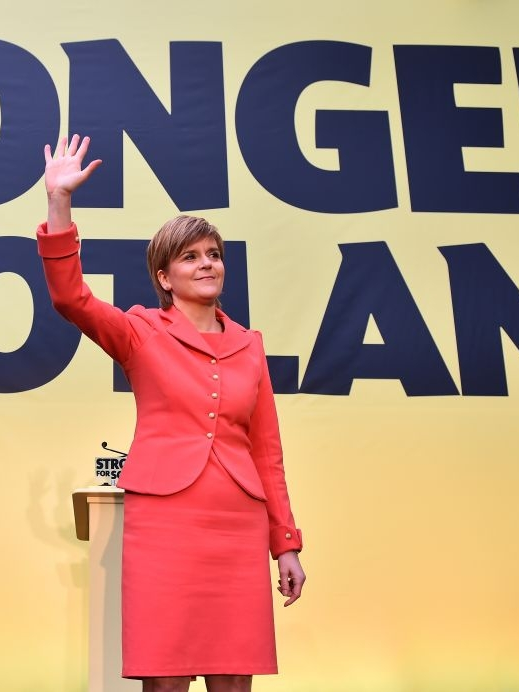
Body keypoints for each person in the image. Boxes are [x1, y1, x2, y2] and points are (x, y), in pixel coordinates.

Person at [37, 135, 306, 692]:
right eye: (190, 256)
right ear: (165, 277)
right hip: (165, 523)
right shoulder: (140, 331)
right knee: (165, 678)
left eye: (213, 254)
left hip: (237, 523)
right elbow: (71, 299)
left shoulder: (251, 345)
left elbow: (267, 451)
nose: (206, 264)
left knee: (235, 677)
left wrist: (286, 543)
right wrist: (59, 203)